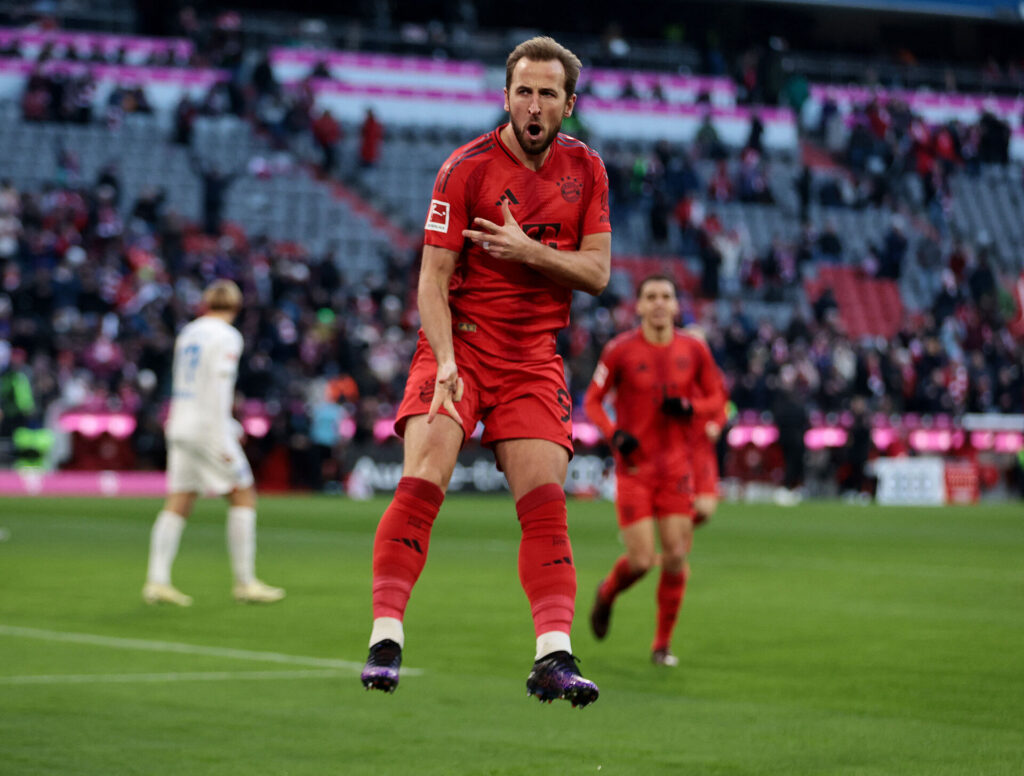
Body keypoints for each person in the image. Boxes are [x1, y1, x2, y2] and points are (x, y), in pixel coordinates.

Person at [360, 36, 611, 707]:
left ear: (568, 105)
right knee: (424, 478)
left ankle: (553, 657)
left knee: (546, 508)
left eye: (547, 94)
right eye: (523, 91)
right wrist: (443, 359)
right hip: (461, 347)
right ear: (506, 97)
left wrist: (529, 251)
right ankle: (386, 637)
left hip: (533, 357)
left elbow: (597, 273)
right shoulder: (463, 169)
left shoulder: (587, 170)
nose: (533, 105)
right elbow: (431, 280)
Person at [582, 276, 726, 666]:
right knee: (643, 560)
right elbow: (592, 401)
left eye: (666, 296)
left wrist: (692, 409)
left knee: (676, 556)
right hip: (634, 469)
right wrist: (614, 434)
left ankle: (661, 645)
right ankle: (608, 592)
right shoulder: (619, 350)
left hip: (676, 469)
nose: (659, 303)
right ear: (639, 307)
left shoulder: (694, 349)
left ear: (677, 306)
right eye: (651, 297)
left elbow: (718, 397)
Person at [143, 280, 284, 607]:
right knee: (243, 494)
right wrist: (226, 425)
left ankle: (157, 581)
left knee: (180, 498)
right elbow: (219, 383)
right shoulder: (227, 336)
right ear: (236, 307)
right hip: (208, 425)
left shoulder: (189, 332)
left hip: (179, 421)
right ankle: (245, 582)